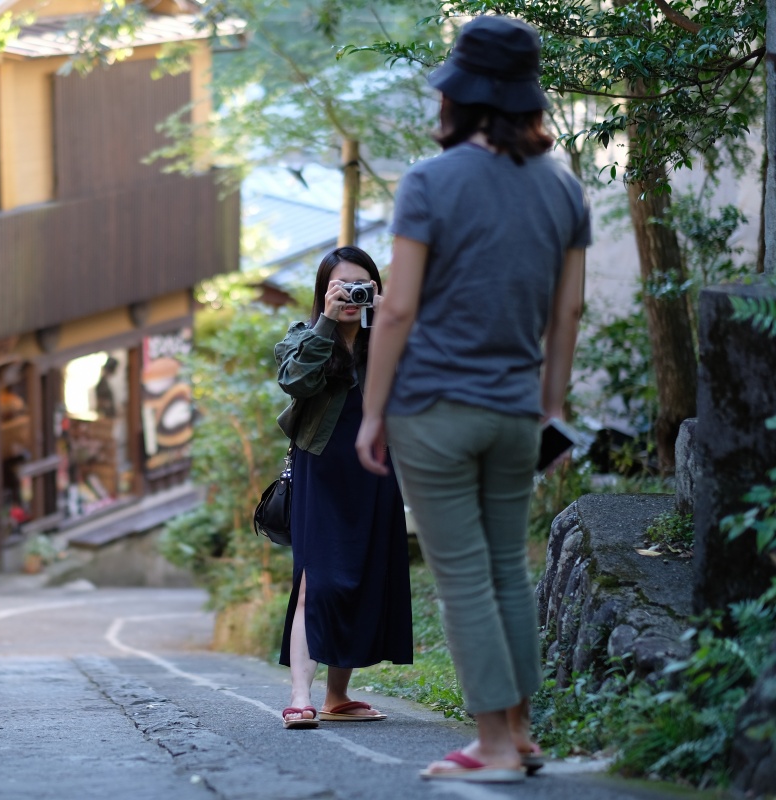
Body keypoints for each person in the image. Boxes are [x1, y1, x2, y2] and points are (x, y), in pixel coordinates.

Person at [354, 16, 589, 783]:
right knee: (506, 570)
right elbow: (568, 312)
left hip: (434, 408)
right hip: (518, 410)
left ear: (461, 97)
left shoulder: (431, 180)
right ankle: (518, 734)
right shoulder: (563, 186)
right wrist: (548, 405)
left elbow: (396, 309)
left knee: (461, 578)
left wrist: (372, 411)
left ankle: (491, 747)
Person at [274, 245, 414, 730]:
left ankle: (337, 695)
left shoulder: (391, 339)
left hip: (374, 471)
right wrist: (329, 324)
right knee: (319, 581)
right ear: (325, 291)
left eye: (363, 286)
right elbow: (293, 381)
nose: (353, 294)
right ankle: (299, 695)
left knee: (360, 580)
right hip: (323, 472)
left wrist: (392, 315)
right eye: (342, 286)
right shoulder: (303, 337)